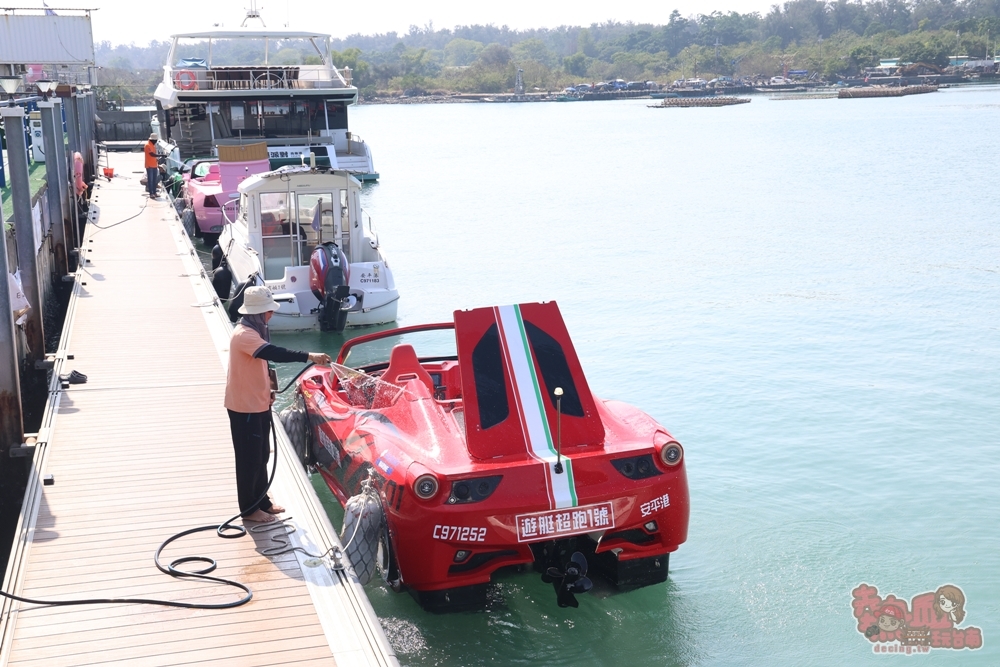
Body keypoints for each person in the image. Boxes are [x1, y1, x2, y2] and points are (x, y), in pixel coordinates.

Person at [224, 286, 331, 522]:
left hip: (258, 403)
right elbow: (274, 353)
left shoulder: (255, 331)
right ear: (258, 313)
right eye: (268, 311)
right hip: (245, 408)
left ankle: (262, 501)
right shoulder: (245, 335)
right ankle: (249, 509)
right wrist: (309, 356)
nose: (270, 315)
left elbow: (261, 365)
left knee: (261, 455)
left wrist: (269, 390)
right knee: (248, 459)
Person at [143, 134, 161, 198]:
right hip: (149, 166)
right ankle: (151, 193)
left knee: (154, 180)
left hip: (154, 165)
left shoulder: (152, 145)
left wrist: (157, 159)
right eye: (155, 140)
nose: (156, 141)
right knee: (150, 180)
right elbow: (152, 154)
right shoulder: (147, 145)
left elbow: (154, 156)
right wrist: (161, 155)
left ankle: (154, 192)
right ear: (152, 140)